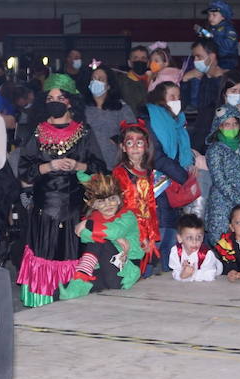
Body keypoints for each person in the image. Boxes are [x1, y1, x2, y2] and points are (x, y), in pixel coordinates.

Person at [16, 75, 107, 307]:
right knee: (44, 251)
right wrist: (49, 166)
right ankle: (42, 299)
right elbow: (24, 172)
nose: (55, 102)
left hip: (75, 207)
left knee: (71, 251)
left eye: (60, 97)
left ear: (70, 102)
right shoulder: (36, 132)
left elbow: (100, 169)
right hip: (44, 207)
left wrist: (78, 166)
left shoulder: (84, 132)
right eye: (50, 98)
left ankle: (71, 299)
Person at [56, 173, 143, 301]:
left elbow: (113, 231)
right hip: (105, 269)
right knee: (60, 292)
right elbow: (83, 236)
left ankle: (81, 276)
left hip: (125, 270)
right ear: (94, 205)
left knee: (100, 241)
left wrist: (88, 223)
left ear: (119, 199)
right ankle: (81, 279)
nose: (108, 204)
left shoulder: (127, 216)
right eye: (101, 201)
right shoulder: (95, 217)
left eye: (112, 199)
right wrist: (114, 238)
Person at [113, 121, 180, 275]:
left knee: (146, 272)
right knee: (131, 272)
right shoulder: (120, 173)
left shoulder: (148, 172)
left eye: (139, 142)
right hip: (129, 229)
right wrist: (141, 235)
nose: (135, 146)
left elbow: (150, 205)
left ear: (146, 146)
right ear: (123, 147)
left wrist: (151, 235)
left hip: (147, 231)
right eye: (130, 142)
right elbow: (128, 206)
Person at [144, 81, 195, 259]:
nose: (176, 100)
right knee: (161, 232)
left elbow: (182, 153)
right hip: (157, 183)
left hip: (173, 185)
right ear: (160, 98)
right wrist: (184, 177)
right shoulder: (152, 118)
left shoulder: (178, 123)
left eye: (178, 97)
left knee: (171, 232)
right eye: (172, 96)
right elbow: (156, 155)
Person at [204, 106, 240, 249]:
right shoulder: (215, 150)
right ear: (219, 127)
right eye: (227, 124)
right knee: (222, 243)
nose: (232, 127)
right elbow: (219, 180)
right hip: (222, 204)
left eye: (235, 124)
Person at [83, 66, 136, 170]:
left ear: (108, 85)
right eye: (93, 78)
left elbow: (133, 132)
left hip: (113, 164)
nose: (96, 81)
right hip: (87, 165)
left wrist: (118, 140)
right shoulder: (83, 108)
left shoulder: (121, 108)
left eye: (101, 79)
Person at [169, 213, 222, 282]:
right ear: (180, 238)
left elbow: (210, 275)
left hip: (215, 267)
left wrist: (192, 274)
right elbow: (175, 272)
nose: (194, 242)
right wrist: (181, 275)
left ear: (203, 238)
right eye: (189, 238)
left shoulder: (206, 254)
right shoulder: (175, 251)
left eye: (198, 237)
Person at [195, 0, 239, 71]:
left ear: (223, 17)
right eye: (209, 15)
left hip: (226, 62)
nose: (210, 18)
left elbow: (228, 46)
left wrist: (211, 37)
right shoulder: (211, 29)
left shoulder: (229, 29)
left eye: (214, 15)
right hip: (214, 61)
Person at [117, 44, 151, 115]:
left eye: (143, 58)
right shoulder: (122, 82)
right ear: (129, 63)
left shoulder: (154, 80)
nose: (140, 61)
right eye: (136, 58)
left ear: (148, 63)